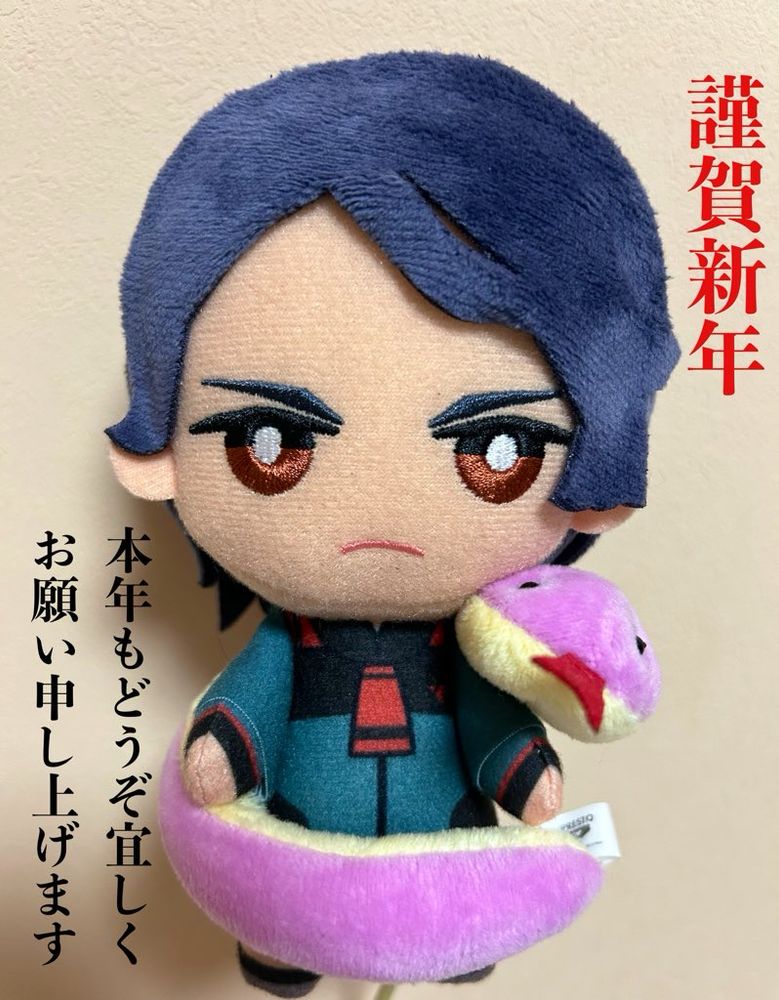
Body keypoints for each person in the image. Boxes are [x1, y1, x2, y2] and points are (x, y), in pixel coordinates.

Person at [106, 51, 679, 993]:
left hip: (441, 848)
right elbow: (247, 708)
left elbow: (490, 726)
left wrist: (521, 769)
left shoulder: (467, 651)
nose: (380, 508)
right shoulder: (291, 643)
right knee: (284, 918)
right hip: (294, 857)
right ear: (159, 454)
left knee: (449, 916)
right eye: (269, 441)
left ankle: (453, 937)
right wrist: (224, 746)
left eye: (496, 448)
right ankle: (284, 942)